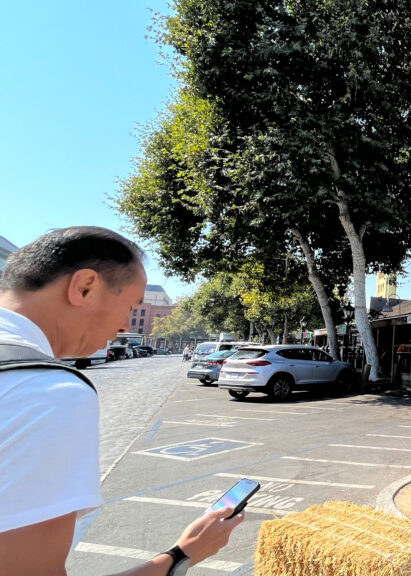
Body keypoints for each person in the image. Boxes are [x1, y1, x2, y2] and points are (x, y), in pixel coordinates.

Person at [0, 227, 243, 575]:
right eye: (130, 306)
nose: (123, 325)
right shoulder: (48, 393)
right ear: (84, 287)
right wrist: (180, 556)